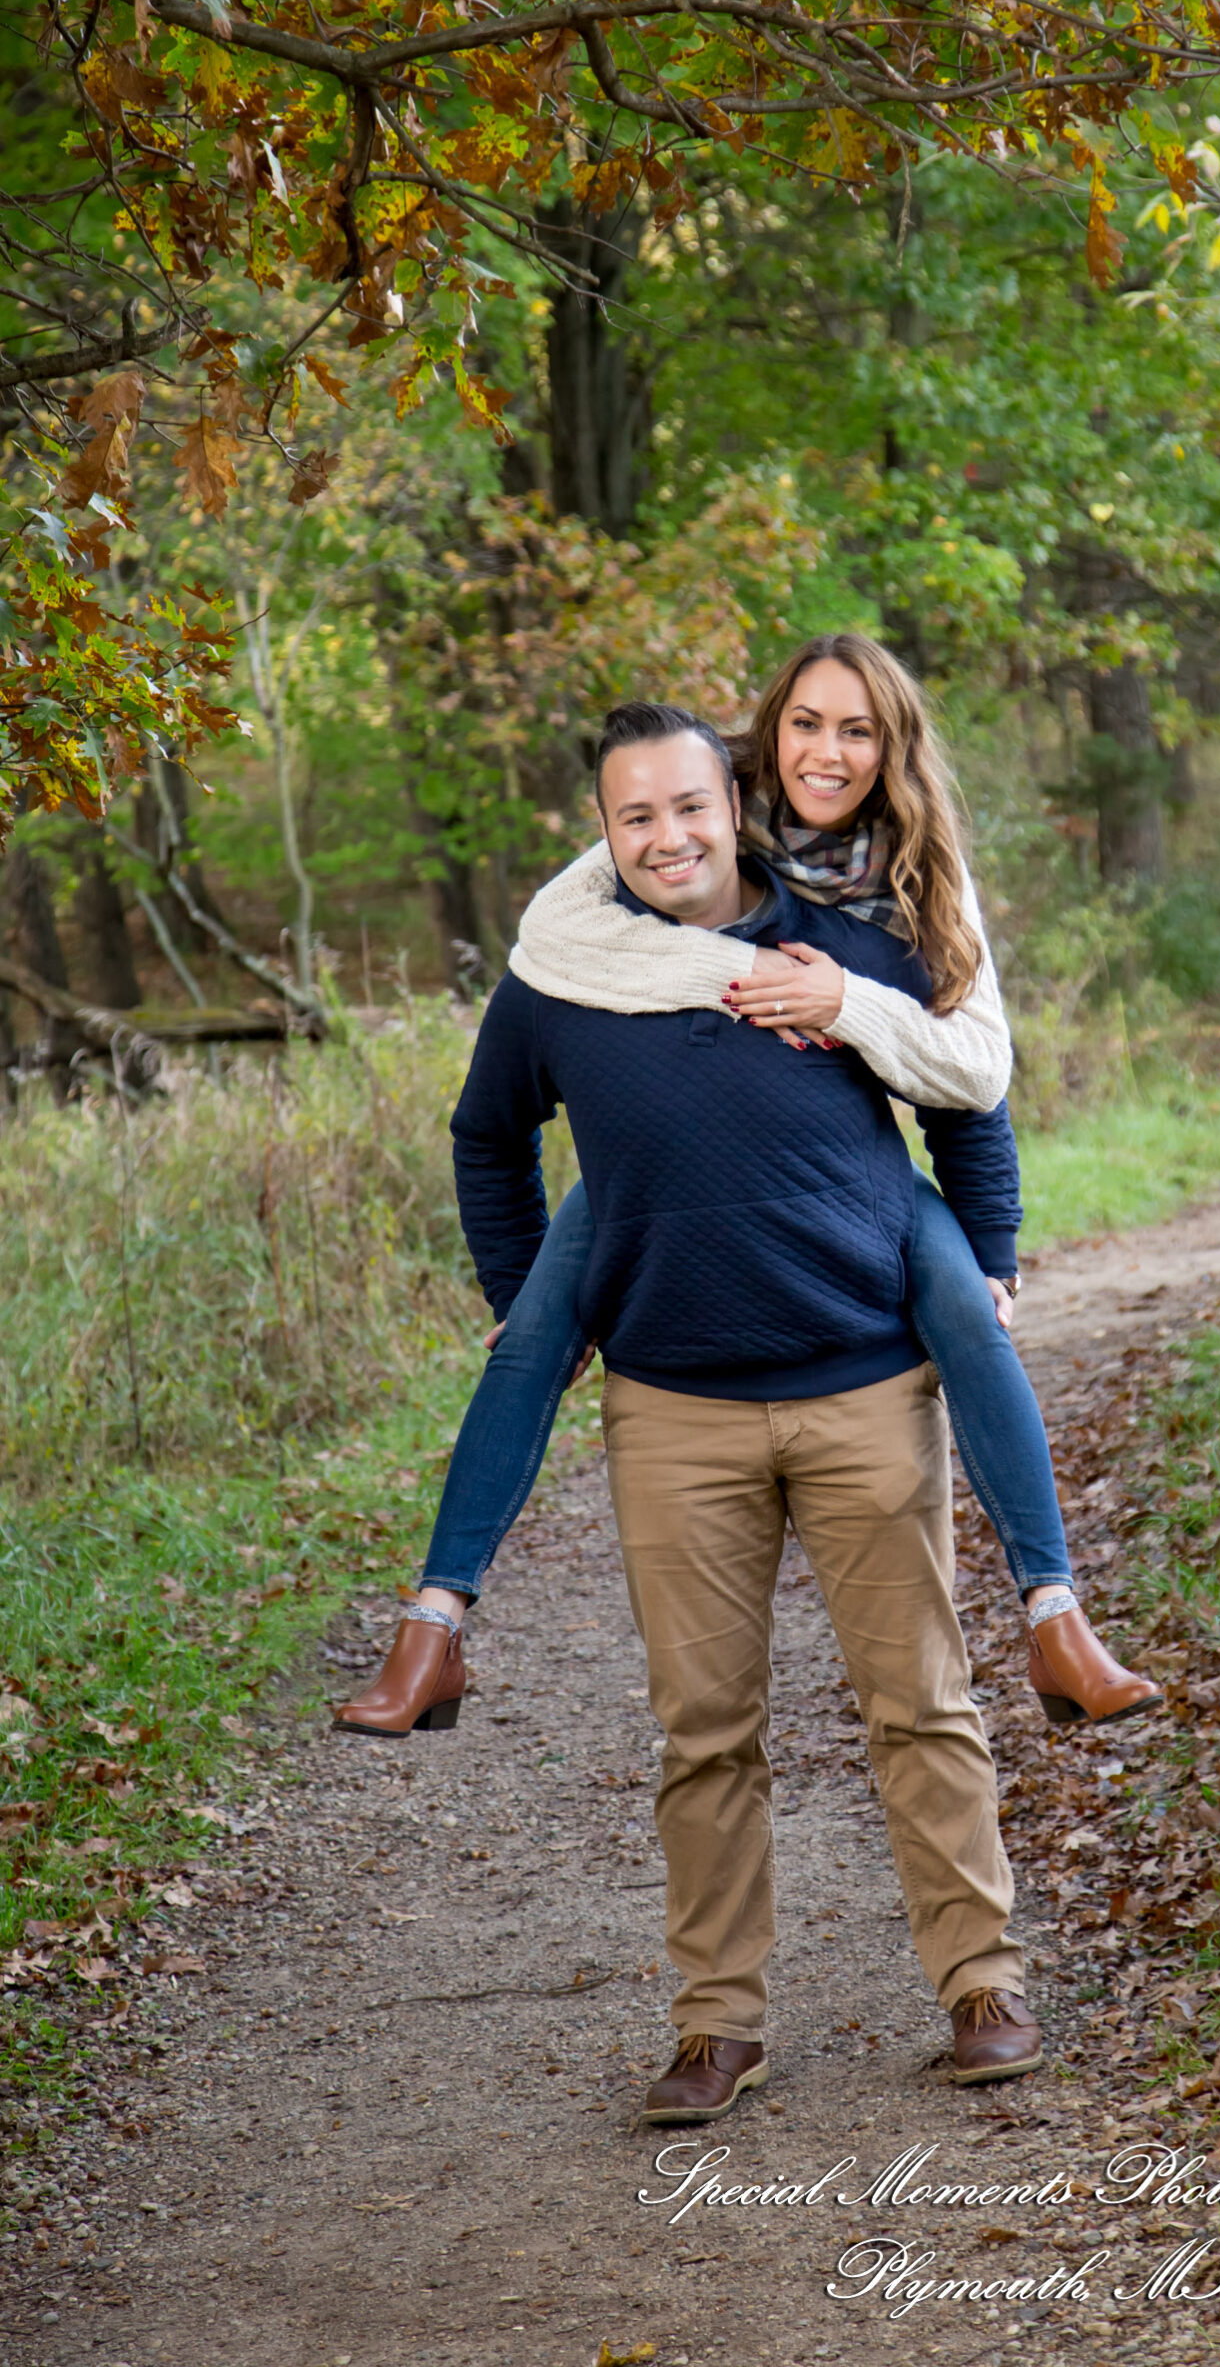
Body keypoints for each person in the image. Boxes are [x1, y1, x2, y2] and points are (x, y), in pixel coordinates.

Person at [355, 698, 1045, 2113]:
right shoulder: (565, 978)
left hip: (861, 1388)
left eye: (686, 807)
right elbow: (487, 1132)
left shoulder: (835, 946)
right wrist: (521, 1293)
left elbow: (966, 1105)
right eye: (633, 818)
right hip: (672, 1412)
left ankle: (982, 1984)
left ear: (729, 805)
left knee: (918, 1701)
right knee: (704, 1730)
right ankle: (715, 2025)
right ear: (604, 835)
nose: (666, 837)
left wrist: (987, 1271)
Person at [334, 634, 1157, 1747]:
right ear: (760, 745)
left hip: (865, 1187)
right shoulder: (616, 892)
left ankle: (1056, 1618)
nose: (828, 751)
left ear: (888, 751)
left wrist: (992, 1240)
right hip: (635, 1200)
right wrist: (517, 1280)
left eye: (857, 730)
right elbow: (498, 1099)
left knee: (970, 1308)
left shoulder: (910, 887)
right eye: (807, 724)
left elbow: (966, 1076)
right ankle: (429, 1629)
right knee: (527, 1335)